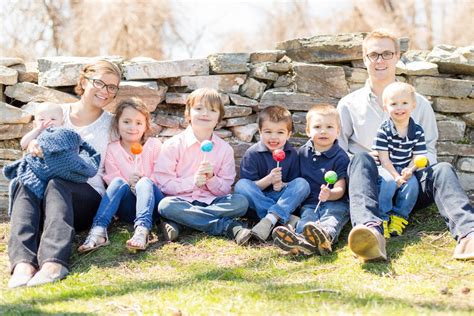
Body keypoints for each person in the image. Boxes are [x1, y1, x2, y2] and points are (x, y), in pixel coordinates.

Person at [337, 29, 474, 262]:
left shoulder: (419, 104)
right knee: (360, 160)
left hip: (411, 183)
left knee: (442, 169)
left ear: (397, 56)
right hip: (372, 186)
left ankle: (468, 234)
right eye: (373, 55)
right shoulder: (349, 105)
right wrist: (370, 160)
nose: (380, 60)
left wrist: (412, 167)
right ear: (364, 59)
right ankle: (370, 232)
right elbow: (338, 153)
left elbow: (429, 150)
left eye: (387, 53)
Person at [7, 60, 122, 288]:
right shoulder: (57, 113)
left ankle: (54, 263)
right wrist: (33, 146)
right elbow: (33, 141)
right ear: (83, 81)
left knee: (59, 183)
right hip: (45, 193)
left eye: (112, 87)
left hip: (85, 198)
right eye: (99, 82)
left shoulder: (112, 124)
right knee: (25, 180)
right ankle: (23, 264)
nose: (105, 91)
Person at [156, 88, 249, 244]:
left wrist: (211, 179)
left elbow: (225, 188)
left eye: (212, 110)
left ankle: (182, 221)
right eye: (199, 108)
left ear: (219, 117)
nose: (205, 114)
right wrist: (192, 182)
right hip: (181, 201)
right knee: (165, 205)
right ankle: (226, 227)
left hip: (211, 201)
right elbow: (163, 184)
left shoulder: (225, 150)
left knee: (241, 202)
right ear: (188, 113)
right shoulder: (173, 145)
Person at [78, 98, 163, 253]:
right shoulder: (112, 149)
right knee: (117, 181)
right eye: (127, 122)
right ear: (117, 123)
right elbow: (112, 180)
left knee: (144, 182)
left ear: (146, 126)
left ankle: (142, 231)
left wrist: (144, 181)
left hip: (153, 206)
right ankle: (98, 231)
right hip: (128, 208)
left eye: (139, 123)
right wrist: (128, 183)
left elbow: (162, 176)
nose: (132, 127)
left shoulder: (154, 146)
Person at [272, 104, 350, 255]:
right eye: (317, 127)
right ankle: (300, 242)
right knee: (307, 221)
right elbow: (296, 181)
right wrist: (281, 183)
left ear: (338, 132)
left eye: (329, 127)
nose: (323, 131)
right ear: (308, 131)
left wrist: (330, 194)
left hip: (335, 202)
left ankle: (325, 238)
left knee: (331, 219)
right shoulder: (302, 153)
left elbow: (341, 189)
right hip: (309, 203)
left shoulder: (340, 156)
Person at [234, 105, 310, 243]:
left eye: (280, 132)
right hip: (258, 199)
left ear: (289, 134)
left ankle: (269, 220)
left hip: (282, 199)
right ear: (260, 132)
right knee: (241, 185)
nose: (273, 137)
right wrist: (269, 179)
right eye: (268, 131)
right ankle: (280, 218)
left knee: (302, 184)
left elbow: (293, 185)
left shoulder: (291, 153)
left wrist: (281, 185)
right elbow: (249, 188)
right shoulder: (252, 153)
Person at [372, 82, 427, 238]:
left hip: (406, 166)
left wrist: (410, 170)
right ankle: (382, 217)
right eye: (393, 104)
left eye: (404, 103)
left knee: (413, 185)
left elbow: (418, 156)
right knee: (388, 182)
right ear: (385, 107)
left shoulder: (417, 131)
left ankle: (399, 217)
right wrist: (395, 175)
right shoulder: (384, 130)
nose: (399, 107)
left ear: (413, 105)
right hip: (386, 167)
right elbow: (383, 158)